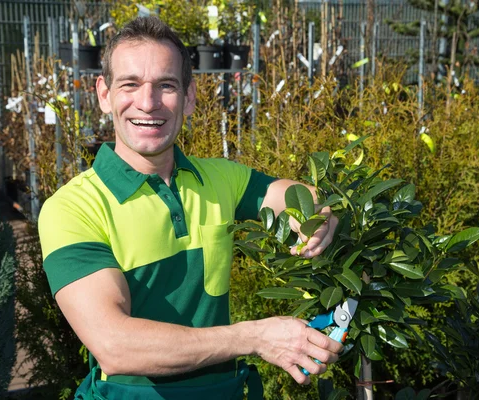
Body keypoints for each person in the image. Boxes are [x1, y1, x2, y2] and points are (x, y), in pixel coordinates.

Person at [38, 16, 342, 400]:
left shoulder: (218, 179)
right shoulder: (71, 208)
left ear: (190, 97)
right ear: (103, 94)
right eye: (130, 84)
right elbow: (116, 346)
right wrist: (255, 336)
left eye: (165, 85)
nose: (147, 103)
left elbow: (288, 193)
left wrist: (315, 210)